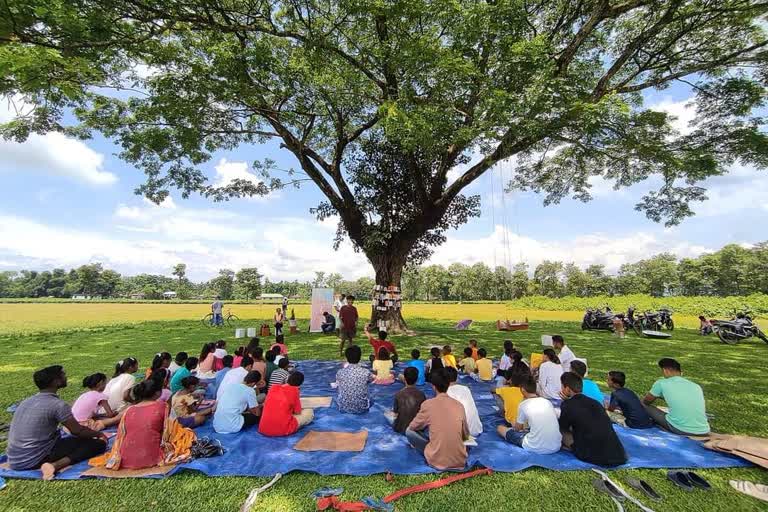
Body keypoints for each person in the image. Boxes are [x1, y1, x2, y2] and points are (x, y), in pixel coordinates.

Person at [7, 366, 108, 479]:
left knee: (73, 441)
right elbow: (77, 431)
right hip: (33, 459)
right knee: (97, 444)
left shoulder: (27, 401)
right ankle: (55, 465)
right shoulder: (57, 405)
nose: (66, 377)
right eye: (63, 375)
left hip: (14, 459)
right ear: (56, 381)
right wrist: (99, 434)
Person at [559, 372, 627, 466]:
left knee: (560, 431)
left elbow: (563, 427)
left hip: (592, 456)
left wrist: (565, 403)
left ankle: (572, 447)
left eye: (561, 386)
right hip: (618, 454)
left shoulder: (567, 405)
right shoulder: (596, 403)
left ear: (567, 389)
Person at [406, 369, 469, 470]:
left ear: (433, 386)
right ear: (449, 385)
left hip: (436, 460)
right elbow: (465, 434)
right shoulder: (459, 405)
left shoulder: (428, 404)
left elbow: (413, 426)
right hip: (460, 460)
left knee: (409, 432)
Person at [642, 358, 710, 435]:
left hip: (681, 429)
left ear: (665, 370)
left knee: (642, 404)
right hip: (704, 430)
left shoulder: (661, 383)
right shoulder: (696, 386)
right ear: (681, 372)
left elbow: (646, 401)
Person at [497, 377, 562, 454]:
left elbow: (518, 429)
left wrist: (513, 424)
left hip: (534, 446)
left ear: (523, 390)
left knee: (500, 428)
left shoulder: (524, 404)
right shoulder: (547, 402)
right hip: (556, 446)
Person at [259, 371, 314, 436]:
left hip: (263, 428)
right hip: (282, 429)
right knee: (309, 411)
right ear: (300, 384)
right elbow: (297, 412)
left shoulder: (273, 387)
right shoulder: (294, 391)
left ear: (288, 379)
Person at [387, 367, 426, 434]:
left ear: (404, 379)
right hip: (416, 428)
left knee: (387, 413)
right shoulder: (422, 395)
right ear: (417, 379)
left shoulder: (399, 394)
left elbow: (395, 413)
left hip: (400, 428)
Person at [445, 367, 482, 437]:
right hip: (476, 430)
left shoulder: (446, 392)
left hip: (460, 434)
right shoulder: (465, 388)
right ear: (456, 378)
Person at [335, 345, 373, 414]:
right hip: (362, 407)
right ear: (360, 357)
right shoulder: (366, 372)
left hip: (344, 407)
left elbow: (338, 384)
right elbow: (370, 380)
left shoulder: (340, 372)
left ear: (346, 358)